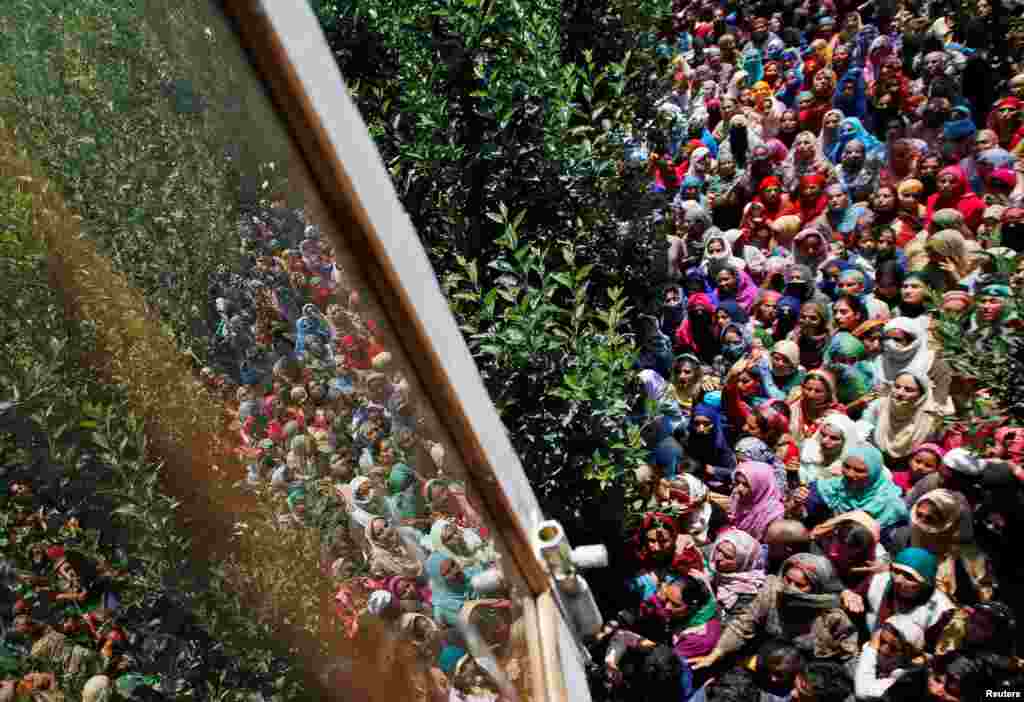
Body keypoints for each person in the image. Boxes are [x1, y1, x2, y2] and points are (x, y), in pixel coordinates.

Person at [690, 554, 858, 675]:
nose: (790, 588)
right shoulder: (772, 593)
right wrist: (717, 653)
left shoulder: (832, 617)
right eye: (787, 580)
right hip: (768, 663)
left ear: (817, 588)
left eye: (800, 585)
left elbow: (848, 655)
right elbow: (743, 624)